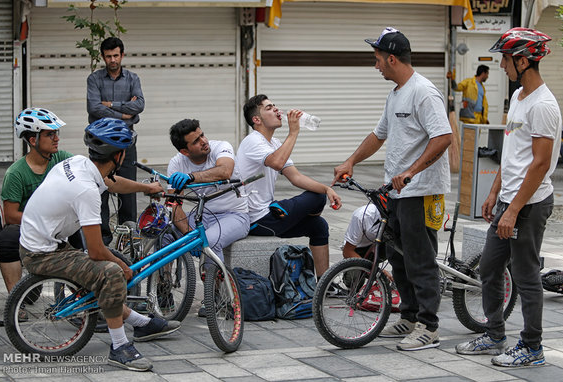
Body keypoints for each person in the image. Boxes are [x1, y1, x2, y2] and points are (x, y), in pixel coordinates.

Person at [19, 118, 180, 371]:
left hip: (42, 240)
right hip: (42, 253)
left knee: (108, 267)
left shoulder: (78, 163)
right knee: (112, 272)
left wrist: (145, 188)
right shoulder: (85, 190)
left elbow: (110, 182)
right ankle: (119, 347)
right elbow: (96, 250)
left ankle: (141, 322)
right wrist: (120, 265)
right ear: (119, 154)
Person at [333, 26, 452, 351]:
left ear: (392, 58)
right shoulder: (396, 93)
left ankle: (429, 326)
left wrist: (412, 171)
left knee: (420, 258)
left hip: (421, 190)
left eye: (378, 60)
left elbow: (443, 137)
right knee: (398, 258)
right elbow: (378, 135)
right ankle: (410, 316)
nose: (376, 66)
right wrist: (351, 161)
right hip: (397, 192)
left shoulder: (423, 92)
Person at [455, 28, 561, 367]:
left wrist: (513, 209)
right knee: (489, 267)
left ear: (524, 61)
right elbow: (512, 152)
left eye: (505, 58)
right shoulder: (518, 98)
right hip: (509, 200)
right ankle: (495, 334)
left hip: (529, 204)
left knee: (526, 275)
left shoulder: (543, 105)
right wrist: (495, 193)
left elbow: (540, 163)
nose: (501, 65)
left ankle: (532, 347)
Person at [237, 95, 341, 279]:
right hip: (257, 219)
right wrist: (293, 133)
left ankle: (326, 285)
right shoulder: (252, 141)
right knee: (316, 198)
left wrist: (327, 189)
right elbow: (277, 162)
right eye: (269, 108)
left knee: (319, 225)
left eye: (275, 105)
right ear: (257, 120)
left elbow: (295, 177)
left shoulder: (274, 143)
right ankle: (304, 212)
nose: (277, 110)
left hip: (269, 214)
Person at [0, 108, 76, 325]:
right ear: (33, 139)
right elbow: (11, 215)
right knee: (6, 238)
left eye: (56, 133)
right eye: (50, 134)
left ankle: (81, 297)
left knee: (84, 231)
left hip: (60, 227)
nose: (56, 138)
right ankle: (17, 300)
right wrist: (43, 221)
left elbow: (86, 171)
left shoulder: (62, 159)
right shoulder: (16, 173)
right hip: (31, 231)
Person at [164, 119, 250, 316]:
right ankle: (163, 289)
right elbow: (174, 203)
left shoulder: (222, 147)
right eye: (196, 141)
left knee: (209, 242)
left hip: (234, 215)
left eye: (202, 135)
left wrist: (192, 177)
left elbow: (225, 170)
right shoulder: (177, 162)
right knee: (165, 234)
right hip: (201, 216)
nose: (204, 141)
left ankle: (213, 296)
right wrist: (188, 233)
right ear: (184, 151)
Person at [87, 37, 145, 244]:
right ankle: (102, 236)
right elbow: (94, 108)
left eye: (116, 55)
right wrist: (124, 115)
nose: (112, 60)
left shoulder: (132, 79)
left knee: (128, 187)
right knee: (99, 186)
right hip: (100, 144)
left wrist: (110, 104)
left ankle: (129, 234)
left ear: (122, 55)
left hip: (126, 142)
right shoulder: (94, 80)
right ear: (103, 57)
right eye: (108, 56)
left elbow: (139, 106)